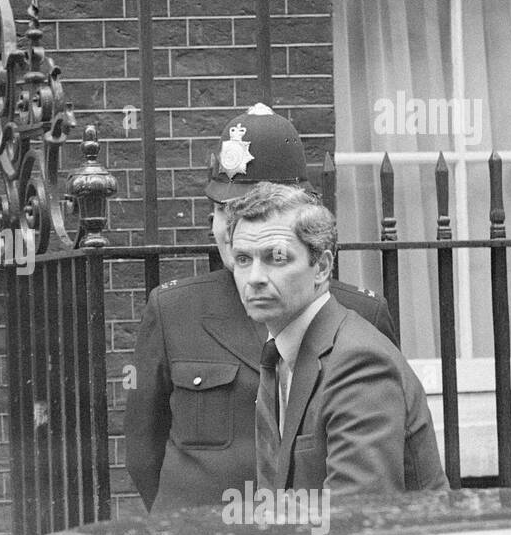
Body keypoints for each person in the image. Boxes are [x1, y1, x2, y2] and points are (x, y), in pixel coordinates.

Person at [125, 103, 398, 513]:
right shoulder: (172, 310)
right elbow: (143, 453)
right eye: (222, 210)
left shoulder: (360, 316)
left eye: (251, 211)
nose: (231, 229)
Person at [225, 183, 448, 494]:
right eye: (243, 260)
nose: (255, 278)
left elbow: (355, 518)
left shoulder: (358, 362)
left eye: (276, 258)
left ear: (322, 267)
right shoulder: (279, 352)